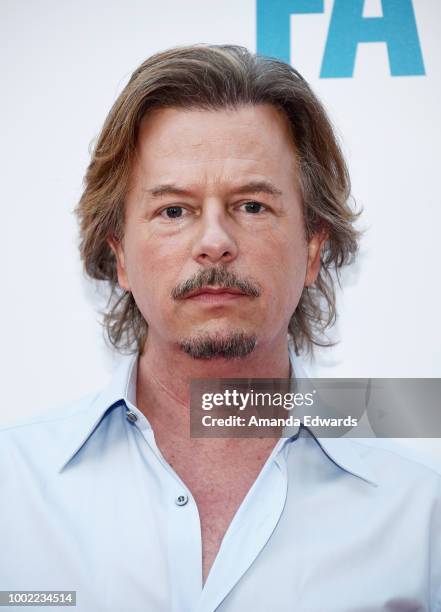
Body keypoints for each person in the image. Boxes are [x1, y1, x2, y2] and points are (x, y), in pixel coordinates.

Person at [1, 44, 440, 612]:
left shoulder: (420, 512)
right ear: (121, 257)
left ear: (313, 250)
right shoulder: (13, 488)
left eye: (252, 206)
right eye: (174, 211)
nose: (214, 242)